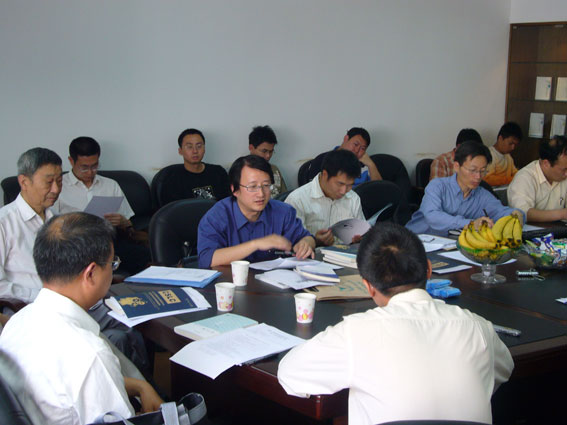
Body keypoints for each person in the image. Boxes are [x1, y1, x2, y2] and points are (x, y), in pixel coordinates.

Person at [278, 223, 514, 425]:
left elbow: (289, 372)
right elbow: (504, 369)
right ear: (429, 270)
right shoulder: (477, 327)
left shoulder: (356, 333)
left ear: (368, 286)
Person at [0, 212, 162, 424]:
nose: (113, 271)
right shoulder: (89, 355)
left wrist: (140, 386)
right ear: (91, 273)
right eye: (112, 264)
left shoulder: (18, 322)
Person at [52, 136, 150, 274]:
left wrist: (123, 221)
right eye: (84, 167)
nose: (90, 172)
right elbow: (50, 225)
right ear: (71, 161)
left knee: (142, 255)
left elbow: (129, 224)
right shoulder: (58, 186)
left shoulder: (110, 185)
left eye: (94, 166)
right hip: (75, 243)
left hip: (109, 240)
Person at [197, 155, 315, 268]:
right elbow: (207, 259)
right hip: (231, 280)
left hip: (274, 279)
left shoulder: (283, 212)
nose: (261, 194)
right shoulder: (217, 216)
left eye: (266, 185)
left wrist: (305, 244)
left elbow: (307, 238)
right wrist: (256, 244)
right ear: (235, 190)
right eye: (252, 187)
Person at [406, 141, 523, 236]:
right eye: (473, 170)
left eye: (483, 171)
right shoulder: (438, 186)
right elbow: (432, 216)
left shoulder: (482, 195)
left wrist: (517, 214)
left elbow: (502, 212)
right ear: (457, 166)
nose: (478, 176)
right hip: (417, 242)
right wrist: (471, 224)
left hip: (450, 247)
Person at [0, 147, 62, 303]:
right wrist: (41, 298)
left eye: (59, 181)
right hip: (29, 307)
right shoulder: (4, 223)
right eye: (49, 182)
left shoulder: (57, 219)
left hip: (68, 301)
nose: (56, 189)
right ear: (24, 182)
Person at [285, 149, 364, 246]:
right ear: (325, 175)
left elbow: (362, 232)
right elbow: (291, 244)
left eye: (349, 185)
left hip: (346, 254)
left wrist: (359, 239)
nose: (344, 191)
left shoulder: (353, 198)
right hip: (311, 254)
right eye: (340, 184)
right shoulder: (297, 200)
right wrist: (315, 241)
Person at [159, 128, 231, 205]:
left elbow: (228, 203)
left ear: (204, 149)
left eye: (199, 146)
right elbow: (172, 209)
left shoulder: (218, 172)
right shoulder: (172, 179)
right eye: (189, 147)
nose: (195, 151)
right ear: (180, 151)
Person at [508, 135, 567, 222]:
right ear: (546, 164)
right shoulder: (524, 178)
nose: (566, 173)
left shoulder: (562, 176)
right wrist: (562, 214)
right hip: (530, 230)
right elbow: (522, 213)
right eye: (564, 169)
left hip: (558, 228)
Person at [305, 127, 382, 186]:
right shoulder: (323, 159)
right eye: (355, 144)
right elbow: (314, 189)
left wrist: (371, 165)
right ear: (346, 138)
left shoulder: (364, 164)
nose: (357, 150)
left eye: (362, 148)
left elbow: (379, 189)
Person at [248, 125, 288, 197]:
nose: (268, 156)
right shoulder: (241, 170)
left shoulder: (274, 170)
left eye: (271, 151)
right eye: (264, 151)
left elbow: (284, 196)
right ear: (251, 148)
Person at [483, 122, 522, 186]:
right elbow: (487, 179)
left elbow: (515, 173)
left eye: (515, 145)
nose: (513, 148)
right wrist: (511, 179)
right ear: (500, 138)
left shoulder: (508, 157)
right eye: (510, 143)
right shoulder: (489, 154)